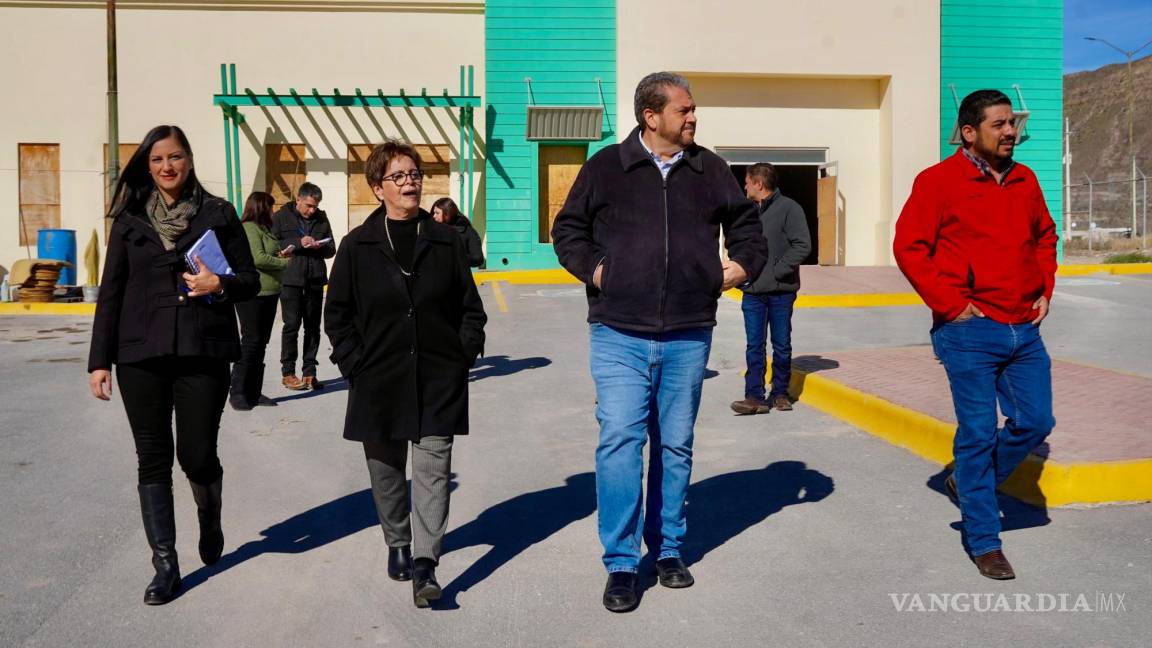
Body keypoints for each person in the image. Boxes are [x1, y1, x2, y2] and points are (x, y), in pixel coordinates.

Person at [551, 72, 767, 612]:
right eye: (684, 110)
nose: (693, 118)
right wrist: (601, 273)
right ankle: (622, 563)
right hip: (618, 331)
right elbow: (567, 231)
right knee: (621, 442)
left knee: (674, 446)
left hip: (689, 333)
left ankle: (668, 550)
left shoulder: (710, 168)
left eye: (693, 110)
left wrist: (735, 269)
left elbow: (747, 229)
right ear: (651, 116)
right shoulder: (607, 166)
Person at [87, 124, 260, 605]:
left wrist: (218, 286)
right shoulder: (128, 220)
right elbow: (112, 292)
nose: (168, 167)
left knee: (197, 454)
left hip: (202, 349)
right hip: (139, 352)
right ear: (147, 165)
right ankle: (165, 564)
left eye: (176, 157)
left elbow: (249, 279)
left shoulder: (218, 214)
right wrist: (99, 360)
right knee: (152, 458)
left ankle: (210, 513)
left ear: (189, 160)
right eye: (158, 159)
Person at [894, 89, 1058, 580]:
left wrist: (1045, 288)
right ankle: (984, 540)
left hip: (1022, 327)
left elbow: (1045, 235)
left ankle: (965, 483)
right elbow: (909, 247)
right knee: (979, 431)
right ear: (970, 132)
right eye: (999, 125)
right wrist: (950, 304)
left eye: (1012, 124)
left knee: (1035, 421)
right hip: (968, 330)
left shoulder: (1025, 179)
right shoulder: (939, 181)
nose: (1011, 132)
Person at [324, 139, 487, 609]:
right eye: (398, 176)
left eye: (414, 174)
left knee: (434, 467)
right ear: (378, 188)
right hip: (379, 376)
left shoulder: (446, 241)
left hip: (438, 374)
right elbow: (338, 316)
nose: (410, 182)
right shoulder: (358, 246)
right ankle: (397, 539)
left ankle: (425, 562)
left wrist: (463, 354)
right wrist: (354, 365)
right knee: (386, 468)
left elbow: (469, 308)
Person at [731, 162, 811, 415]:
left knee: (781, 344)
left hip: (781, 291)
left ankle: (780, 394)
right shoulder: (747, 211)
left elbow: (802, 245)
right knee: (754, 345)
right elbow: (739, 243)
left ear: (759, 183)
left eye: (747, 181)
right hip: (753, 291)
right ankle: (754, 396)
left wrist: (777, 271)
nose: (744, 185)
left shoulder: (790, 208)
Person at [229, 191, 291, 410]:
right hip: (252, 294)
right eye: (270, 207)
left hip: (271, 292)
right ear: (261, 207)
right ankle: (237, 392)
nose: (273, 211)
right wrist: (284, 263)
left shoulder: (265, 229)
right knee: (250, 341)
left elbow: (269, 253)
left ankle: (254, 392)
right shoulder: (248, 228)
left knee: (261, 343)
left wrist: (281, 255)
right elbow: (258, 257)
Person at [271, 182, 335, 391]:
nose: (312, 210)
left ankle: (310, 372)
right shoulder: (280, 217)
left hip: (315, 279)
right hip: (291, 279)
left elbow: (331, 248)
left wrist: (319, 245)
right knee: (291, 326)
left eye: (315, 206)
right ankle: (288, 373)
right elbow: (272, 244)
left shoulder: (322, 218)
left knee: (313, 328)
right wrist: (299, 242)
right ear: (298, 199)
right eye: (308, 205)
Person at [431, 196, 485, 267]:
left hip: (457, 276)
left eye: (437, 213)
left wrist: (457, 256)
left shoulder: (467, 232)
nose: (434, 216)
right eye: (433, 213)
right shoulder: (432, 231)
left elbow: (478, 259)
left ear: (447, 214)